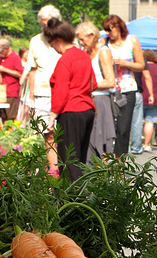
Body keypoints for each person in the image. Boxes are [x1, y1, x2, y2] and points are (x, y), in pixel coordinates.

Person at [44, 18, 96, 182]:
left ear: (58, 40)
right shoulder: (84, 56)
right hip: (87, 111)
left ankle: (71, 200)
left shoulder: (65, 60)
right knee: (79, 158)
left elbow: (61, 90)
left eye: (51, 42)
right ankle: (80, 196)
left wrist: (52, 116)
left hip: (70, 111)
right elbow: (92, 83)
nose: (51, 46)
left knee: (68, 160)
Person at [102, 14, 145, 157]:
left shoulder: (131, 41)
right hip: (108, 89)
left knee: (123, 128)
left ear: (119, 27)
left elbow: (141, 65)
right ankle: (105, 160)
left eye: (110, 29)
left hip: (127, 88)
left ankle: (119, 162)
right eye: (105, 30)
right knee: (107, 127)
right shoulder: (104, 43)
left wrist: (124, 63)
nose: (108, 33)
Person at [26, 5, 62, 175]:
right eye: (41, 25)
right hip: (42, 93)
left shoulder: (67, 39)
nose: (44, 28)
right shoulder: (35, 41)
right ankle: (53, 169)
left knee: (63, 133)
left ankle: (65, 167)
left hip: (63, 92)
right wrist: (30, 97)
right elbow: (32, 69)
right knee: (48, 133)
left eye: (47, 24)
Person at [75, 21, 116, 162]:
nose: (81, 42)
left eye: (83, 39)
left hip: (100, 100)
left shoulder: (103, 51)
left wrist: (87, 85)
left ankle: (103, 176)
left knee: (101, 141)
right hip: (88, 99)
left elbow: (110, 81)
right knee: (89, 141)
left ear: (92, 36)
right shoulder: (86, 51)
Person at [0, 38, 24, 122]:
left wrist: (5, 70)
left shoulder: (15, 57)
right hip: (1, 91)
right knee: (3, 116)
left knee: (10, 116)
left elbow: (19, 74)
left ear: (6, 48)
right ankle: (4, 132)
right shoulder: (0, 58)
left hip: (11, 90)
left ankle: (11, 133)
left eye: (1, 50)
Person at [129, 59, 154, 154]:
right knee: (136, 121)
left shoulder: (116, 53)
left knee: (121, 120)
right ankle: (136, 147)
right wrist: (151, 94)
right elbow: (147, 77)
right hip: (136, 92)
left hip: (119, 91)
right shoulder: (139, 58)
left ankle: (121, 146)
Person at [142, 50, 157, 152]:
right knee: (149, 121)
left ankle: (136, 144)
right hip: (154, 98)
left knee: (136, 122)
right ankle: (146, 144)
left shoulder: (139, 68)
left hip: (140, 97)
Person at [17, 47, 30, 125]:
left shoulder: (29, 63)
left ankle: (24, 123)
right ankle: (21, 123)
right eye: (26, 53)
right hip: (24, 89)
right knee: (24, 107)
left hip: (28, 87)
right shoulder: (20, 63)